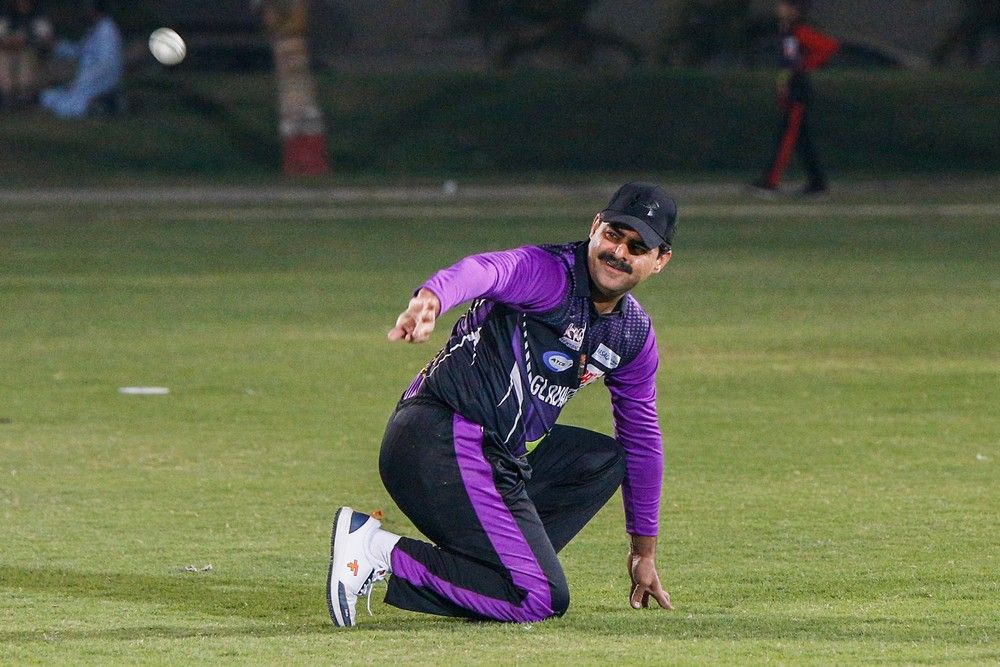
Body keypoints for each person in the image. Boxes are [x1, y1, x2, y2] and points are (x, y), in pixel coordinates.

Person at [327, 182, 678, 626]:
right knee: (540, 598)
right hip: (439, 440)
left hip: (495, 459)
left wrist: (643, 552)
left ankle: (488, 573)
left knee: (602, 460)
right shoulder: (549, 273)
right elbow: (484, 271)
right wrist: (432, 297)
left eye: (637, 247)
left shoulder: (632, 334)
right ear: (595, 227)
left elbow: (642, 438)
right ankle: (375, 551)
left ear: (660, 260)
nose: (618, 252)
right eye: (613, 235)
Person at [750, 0, 839, 196]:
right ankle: (818, 183)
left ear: (794, 11)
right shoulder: (787, 31)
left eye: (784, 6)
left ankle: (770, 182)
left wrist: (805, 65)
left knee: (786, 137)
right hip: (793, 89)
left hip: (797, 92)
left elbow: (829, 46)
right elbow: (787, 62)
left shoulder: (798, 31)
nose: (779, 8)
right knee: (802, 141)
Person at [39, 0, 122, 118]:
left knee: (66, 108)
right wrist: (56, 44)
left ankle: (101, 104)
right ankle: (97, 104)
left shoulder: (107, 31)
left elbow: (106, 65)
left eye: (88, 8)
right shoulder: (93, 30)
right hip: (85, 80)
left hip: (100, 81)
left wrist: (81, 81)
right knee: (47, 97)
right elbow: (80, 52)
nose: (85, 11)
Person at [0, 0, 54, 109]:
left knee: (26, 58)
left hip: (31, 53)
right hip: (9, 53)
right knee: (3, 59)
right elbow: (2, 36)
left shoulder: (37, 18)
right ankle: (7, 95)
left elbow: (47, 39)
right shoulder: (8, 18)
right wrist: (10, 41)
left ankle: (24, 95)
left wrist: (28, 40)